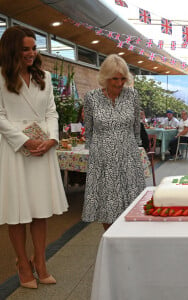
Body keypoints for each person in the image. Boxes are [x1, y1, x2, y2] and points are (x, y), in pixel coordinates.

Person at [0, 26, 68, 288]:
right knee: (18, 210)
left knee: (40, 209)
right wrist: (24, 140)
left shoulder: (45, 77)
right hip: (15, 148)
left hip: (43, 147)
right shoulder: (1, 77)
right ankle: (21, 262)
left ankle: (40, 261)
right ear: (12, 50)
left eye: (33, 48)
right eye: (25, 49)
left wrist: (51, 139)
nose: (31, 53)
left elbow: (52, 112)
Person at [82, 54, 146, 231]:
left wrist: (133, 151)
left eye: (122, 78)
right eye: (114, 79)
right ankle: (111, 239)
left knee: (131, 202)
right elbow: (89, 130)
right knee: (106, 204)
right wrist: (95, 154)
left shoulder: (132, 95)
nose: (119, 83)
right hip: (102, 157)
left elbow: (136, 128)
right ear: (105, 78)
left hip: (128, 156)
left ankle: (129, 240)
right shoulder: (91, 98)